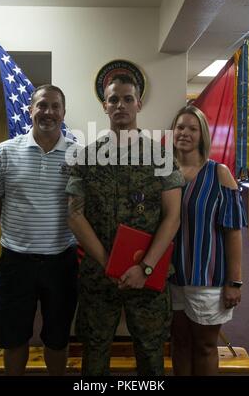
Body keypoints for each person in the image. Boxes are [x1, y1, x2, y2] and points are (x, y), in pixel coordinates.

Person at [66, 73, 184, 376]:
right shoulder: (85, 156)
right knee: (94, 352)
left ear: (138, 104)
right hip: (99, 274)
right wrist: (110, 265)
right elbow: (74, 215)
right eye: (114, 99)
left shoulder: (161, 155)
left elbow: (173, 217)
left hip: (148, 274)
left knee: (150, 351)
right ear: (105, 106)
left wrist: (144, 267)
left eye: (127, 98)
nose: (121, 104)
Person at [0, 85, 78, 376]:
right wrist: (18, 229)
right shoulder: (5, 152)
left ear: (63, 112)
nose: (48, 112)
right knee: (14, 338)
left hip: (61, 262)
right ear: (30, 109)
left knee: (58, 339)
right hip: (16, 263)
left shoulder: (78, 156)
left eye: (55, 106)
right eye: (42, 105)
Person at [169, 105, 247, 376]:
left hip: (208, 280)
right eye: (180, 127)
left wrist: (234, 281)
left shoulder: (219, 173)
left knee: (204, 346)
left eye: (192, 128)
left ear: (202, 135)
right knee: (178, 343)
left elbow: (233, 231)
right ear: (173, 132)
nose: (185, 133)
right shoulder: (163, 172)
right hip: (169, 278)